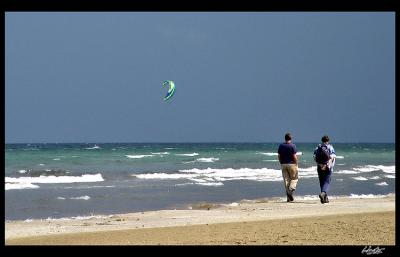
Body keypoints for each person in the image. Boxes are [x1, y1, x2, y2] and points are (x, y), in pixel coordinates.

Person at [313, 135, 336, 204]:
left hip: (319, 167)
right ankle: (323, 194)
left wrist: (320, 165)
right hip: (327, 167)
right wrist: (326, 165)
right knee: (326, 182)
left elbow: (314, 157)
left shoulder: (317, 148)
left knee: (322, 182)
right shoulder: (330, 147)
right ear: (328, 141)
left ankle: (324, 198)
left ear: (322, 140)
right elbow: (332, 157)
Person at [277, 133, 298, 202]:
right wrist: (296, 163)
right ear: (290, 139)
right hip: (291, 164)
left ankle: (288, 198)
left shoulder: (281, 146)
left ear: (285, 138)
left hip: (283, 164)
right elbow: (294, 156)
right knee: (294, 178)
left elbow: (279, 156)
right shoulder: (293, 146)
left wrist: (281, 162)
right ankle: (290, 191)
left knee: (286, 181)